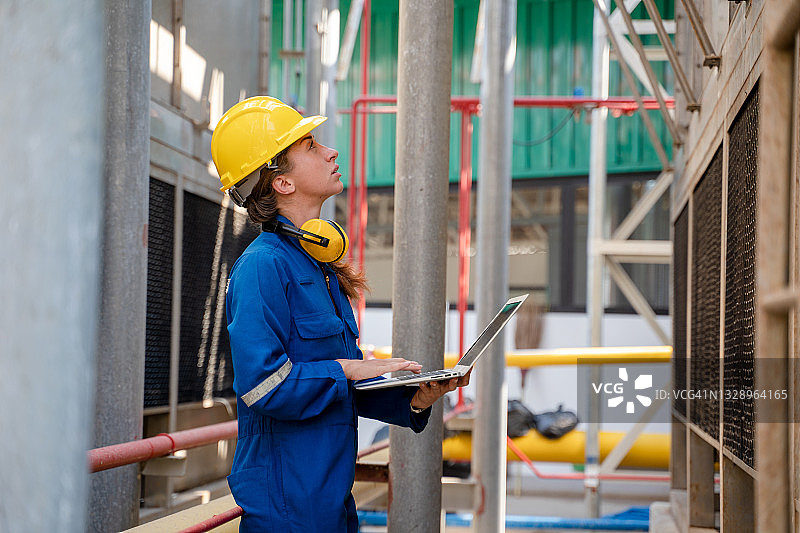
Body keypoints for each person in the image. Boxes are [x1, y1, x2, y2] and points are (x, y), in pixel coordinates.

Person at [210, 96, 470, 532]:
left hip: (330, 501)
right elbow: (262, 387)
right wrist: (351, 367)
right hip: (288, 511)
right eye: (310, 147)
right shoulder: (263, 267)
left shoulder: (316, 263)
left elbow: (330, 387)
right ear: (282, 184)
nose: (331, 151)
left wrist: (414, 397)